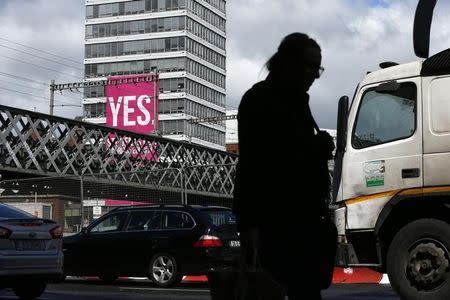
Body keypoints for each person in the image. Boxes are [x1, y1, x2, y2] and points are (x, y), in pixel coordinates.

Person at [233, 32, 335, 300]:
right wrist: (250, 224)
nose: (315, 74)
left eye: (318, 67)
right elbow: (257, 165)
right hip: (279, 224)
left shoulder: (291, 101)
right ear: (288, 63)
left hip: (297, 224)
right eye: (310, 66)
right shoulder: (263, 101)